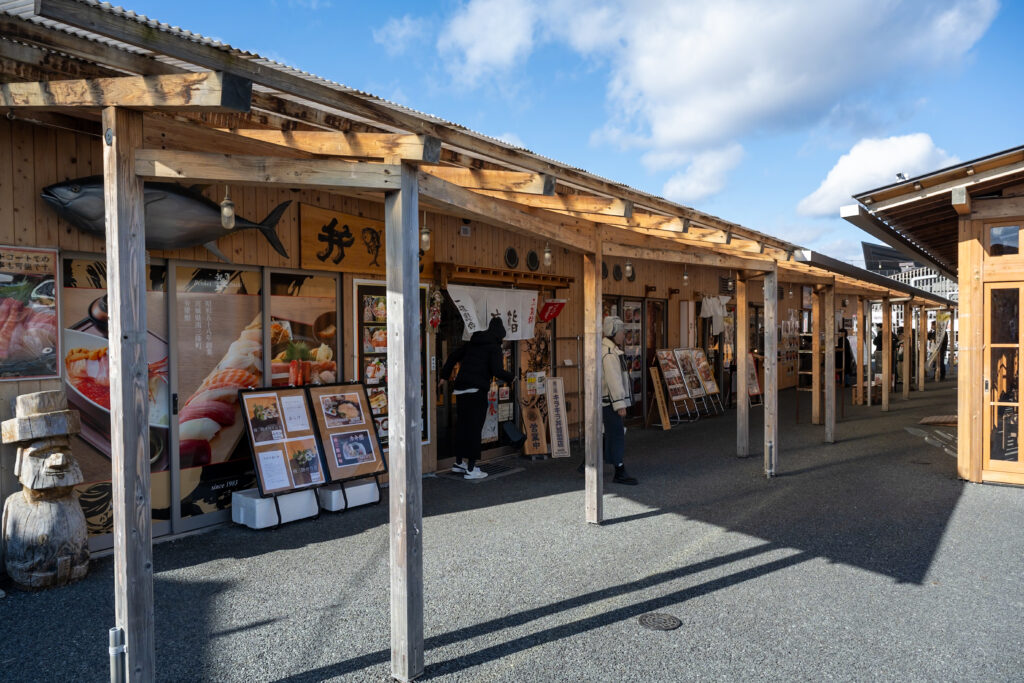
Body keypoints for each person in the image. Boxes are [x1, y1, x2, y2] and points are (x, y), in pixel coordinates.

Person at [439, 317, 515, 480]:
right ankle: (471, 468)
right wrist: (512, 377)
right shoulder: (494, 347)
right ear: (499, 334)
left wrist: (444, 376)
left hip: (460, 389)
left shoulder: (472, 343)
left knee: (462, 427)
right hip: (476, 390)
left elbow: (453, 356)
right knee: (474, 428)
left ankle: (459, 462)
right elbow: (497, 370)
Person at [601, 316, 638, 485]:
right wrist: (620, 404)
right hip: (609, 402)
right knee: (616, 436)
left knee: (607, 435)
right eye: (622, 332)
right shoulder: (609, 354)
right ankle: (620, 471)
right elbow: (613, 380)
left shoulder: (609, 351)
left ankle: (587, 465)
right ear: (613, 333)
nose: (624, 335)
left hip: (607, 401)